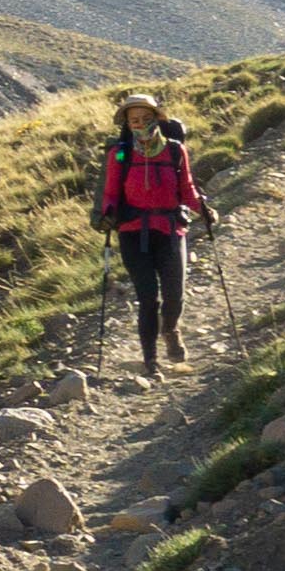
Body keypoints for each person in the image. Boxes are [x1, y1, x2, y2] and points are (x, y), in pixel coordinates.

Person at [96, 93, 207, 369]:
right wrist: (108, 212)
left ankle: (170, 330)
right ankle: (150, 360)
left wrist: (203, 209)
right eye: (134, 120)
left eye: (146, 118)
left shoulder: (174, 150)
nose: (141, 124)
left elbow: (187, 189)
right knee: (148, 298)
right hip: (133, 233)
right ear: (127, 123)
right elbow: (110, 192)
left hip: (170, 229)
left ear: (158, 118)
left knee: (174, 294)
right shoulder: (119, 153)